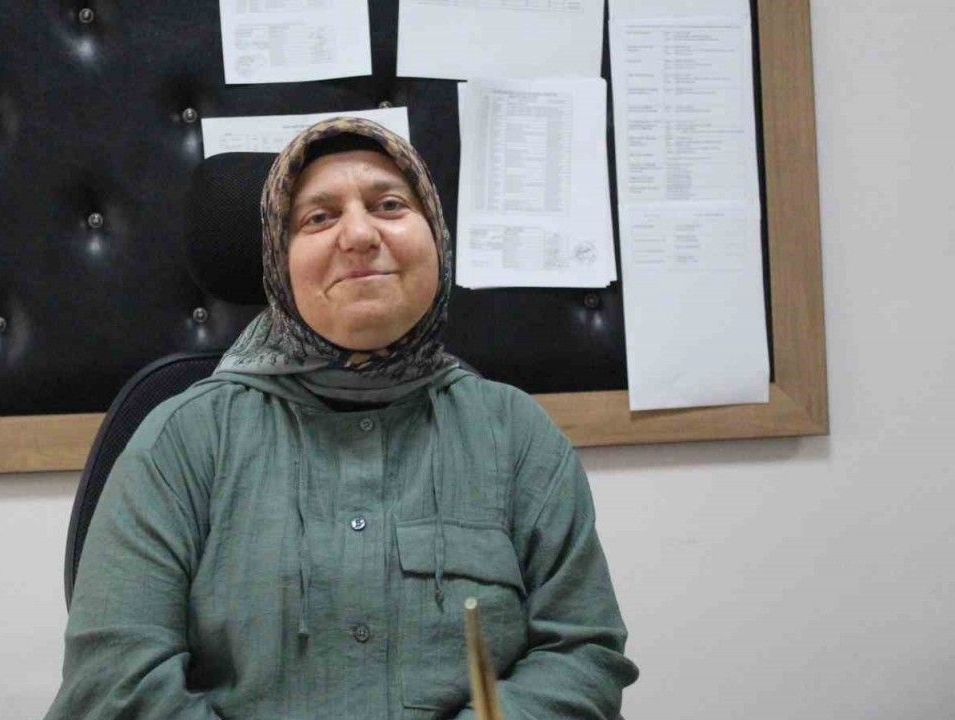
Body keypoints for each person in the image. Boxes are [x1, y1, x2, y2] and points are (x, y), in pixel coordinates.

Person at [43, 117, 638, 720]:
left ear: (437, 239)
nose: (358, 234)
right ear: (279, 263)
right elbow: (113, 685)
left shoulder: (516, 436)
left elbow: (582, 657)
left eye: (390, 205)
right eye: (319, 218)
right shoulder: (183, 440)